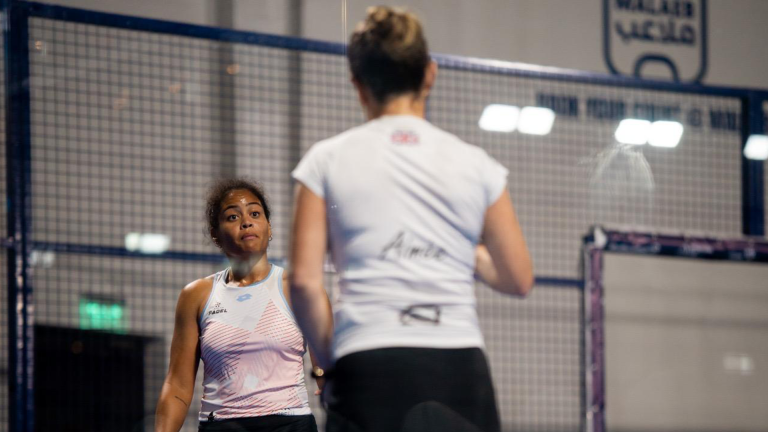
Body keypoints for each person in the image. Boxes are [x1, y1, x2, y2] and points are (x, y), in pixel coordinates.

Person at [288, 6, 534, 432]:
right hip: (459, 369)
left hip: (368, 363)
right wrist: (460, 249)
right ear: (429, 74)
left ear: (358, 84)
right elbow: (518, 278)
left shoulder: (325, 161)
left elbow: (304, 283)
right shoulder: (478, 165)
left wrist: (329, 363)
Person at [155, 178, 319, 432]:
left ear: (269, 227)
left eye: (255, 213)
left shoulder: (298, 288)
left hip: (291, 424)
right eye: (233, 217)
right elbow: (177, 385)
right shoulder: (195, 295)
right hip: (221, 426)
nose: (246, 222)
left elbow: (327, 368)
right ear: (215, 234)